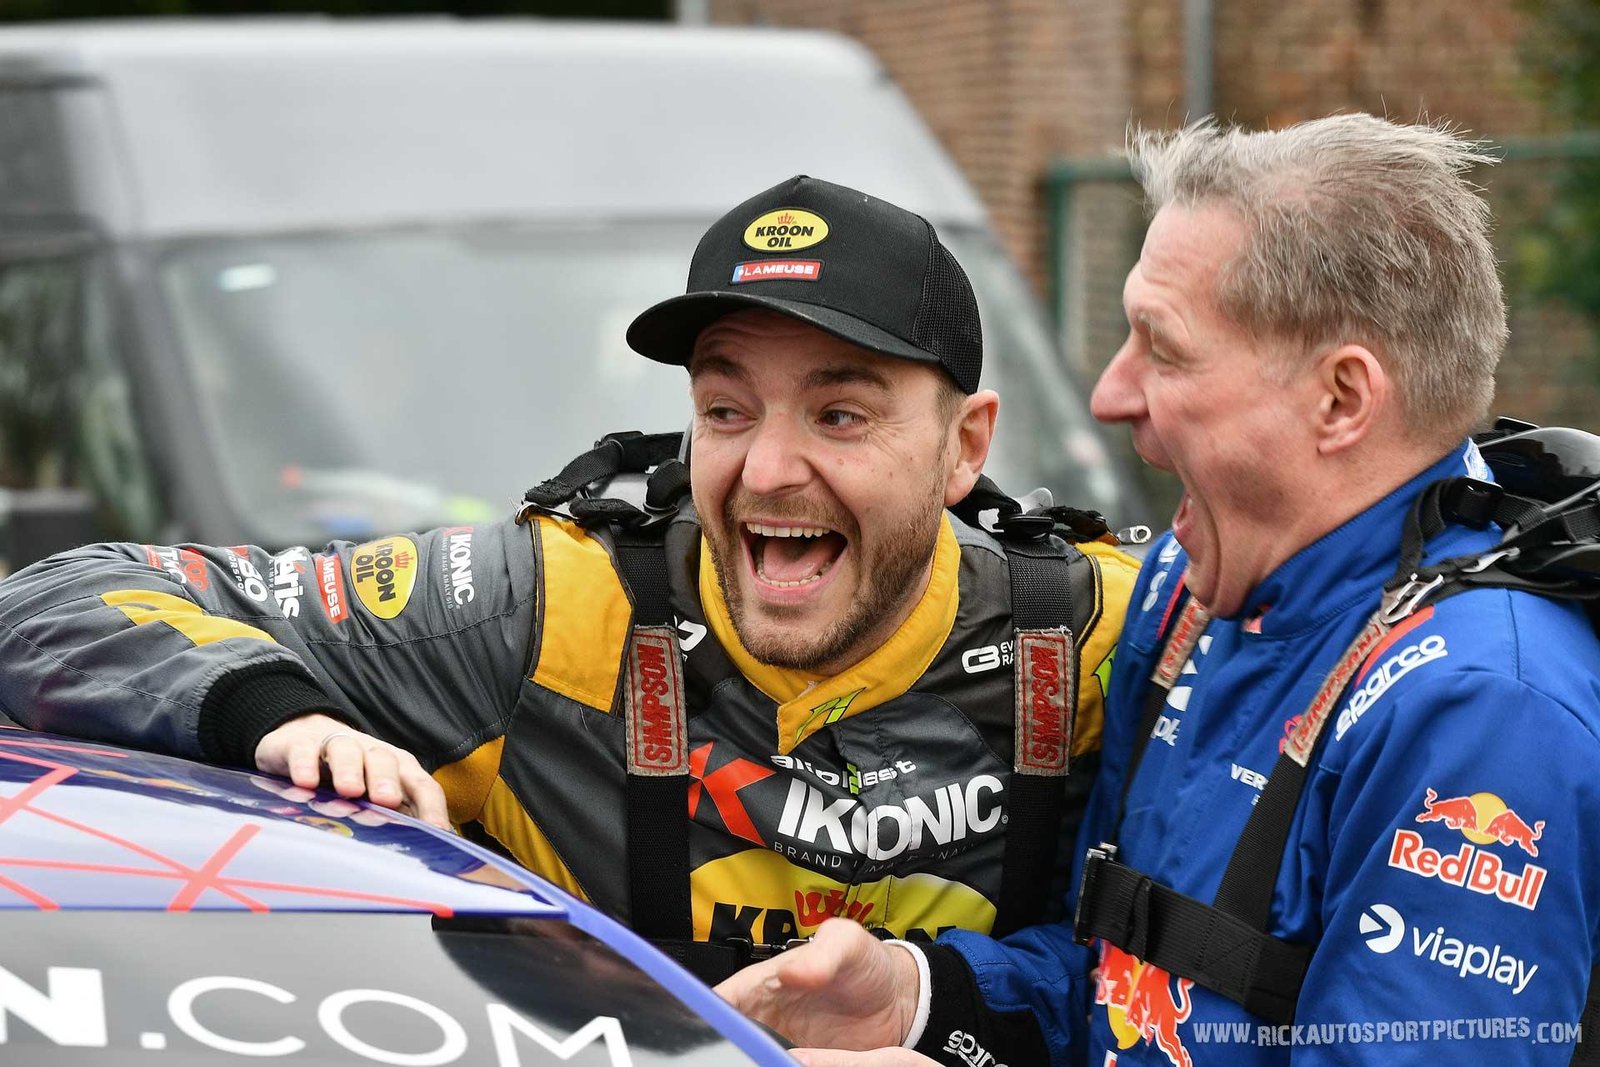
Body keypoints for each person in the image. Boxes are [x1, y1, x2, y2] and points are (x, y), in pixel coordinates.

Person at [0, 174, 1137, 983]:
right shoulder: (546, 604)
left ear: (965, 446)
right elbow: (55, 598)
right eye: (726, 408)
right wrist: (276, 711)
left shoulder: (1100, 629)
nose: (766, 469)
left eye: (839, 413)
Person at [716, 116, 1600, 1064]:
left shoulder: (1484, 709)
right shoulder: (1188, 594)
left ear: (1341, 399)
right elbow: (1125, 986)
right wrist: (921, 1001)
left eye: (1163, 349)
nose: (1110, 394)